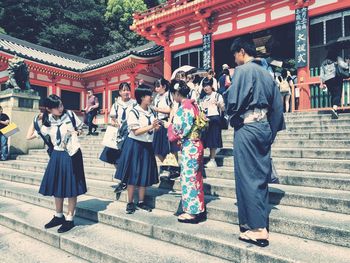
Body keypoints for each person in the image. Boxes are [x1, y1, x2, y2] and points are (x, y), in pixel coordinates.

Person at [226, 36, 285, 247]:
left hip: (248, 128)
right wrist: (271, 132)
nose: (235, 59)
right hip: (263, 127)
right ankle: (258, 223)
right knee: (259, 177)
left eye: (235, 55)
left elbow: (233, 102)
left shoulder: (243, 71)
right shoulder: (267, 74)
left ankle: (257, 228)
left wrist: (231, 116)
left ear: (241, 51)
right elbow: (278, 108)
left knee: (247, 176)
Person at [26, 95, 87, 233]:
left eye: (61, 104)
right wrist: (36, 119)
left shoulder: (70, 115)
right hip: (57, 155)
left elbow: (82, 129)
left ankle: (70, 218)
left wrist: (76, 132)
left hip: (72, 154)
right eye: (57, 106)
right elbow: (28, 137)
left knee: (72, 187)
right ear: (49, 109)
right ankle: (59, 215)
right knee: (57, 186)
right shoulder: (48, 122)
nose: (61, 108)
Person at [114, 87, 161, 214]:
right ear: (142, 98)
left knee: (144, 173)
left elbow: (151, 129)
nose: (151, 97)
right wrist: (151, 126)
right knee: (132, 174)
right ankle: (130, 202)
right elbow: (135, 131)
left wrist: (155, 127)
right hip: (134, 145)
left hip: (147, 145)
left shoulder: (151, 111)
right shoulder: (133, 111)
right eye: (149, 95)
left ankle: (141, 202)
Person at [166, 80, 206, 223]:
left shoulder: (185, 108)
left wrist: (168, 126)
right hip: (196, 144)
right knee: (196, 178)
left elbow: (177, 130)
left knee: (189, 178)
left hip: (190, 145)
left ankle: (191, 212)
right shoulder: (193, 105)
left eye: (173, 94)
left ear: (176, 93)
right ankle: (198, 208)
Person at [99, 82, 136, 165]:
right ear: (120, 92)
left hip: (129, 133)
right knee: (115, 157)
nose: (126, 92)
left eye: (127, 90)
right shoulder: (116, 104)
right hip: (118, 132)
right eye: (123, 90)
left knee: (128, 156)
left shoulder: (134, 103)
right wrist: (115, 123)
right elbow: (113, 118)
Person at [199, 77, 224, 168]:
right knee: (207, 140)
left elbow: (223, 108)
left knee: (213, 140)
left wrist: (218, 104)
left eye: (207, 85)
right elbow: (201, 109)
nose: (206, 88)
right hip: (206, 120)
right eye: (204, 86)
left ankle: (213, 159)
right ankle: (209, 158)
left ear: (211, 86)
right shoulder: (204, 98)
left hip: (215, 119)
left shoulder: (217, 95)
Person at [320, 47, 349, 119]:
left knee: (333, 94)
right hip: (336, 78)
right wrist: (347, 62)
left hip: (327, 80)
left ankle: (333, 109)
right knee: (338, 94)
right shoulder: (337, 58)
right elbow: (344, 66)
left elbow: (321, 74)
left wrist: (322, 83)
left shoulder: (324, 62)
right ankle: (334, 109)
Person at [152, 78, 172, 166]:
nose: (156, 88)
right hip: (158, 123)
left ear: (164, 86)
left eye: (158, 86)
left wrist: (158, 109)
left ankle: (171, 167)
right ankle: (167, 165)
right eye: (155, 86)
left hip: (165, 122)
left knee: (166, 148)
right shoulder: (156, 96)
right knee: (156, 149)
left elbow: (171, 110)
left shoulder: (168, 95)